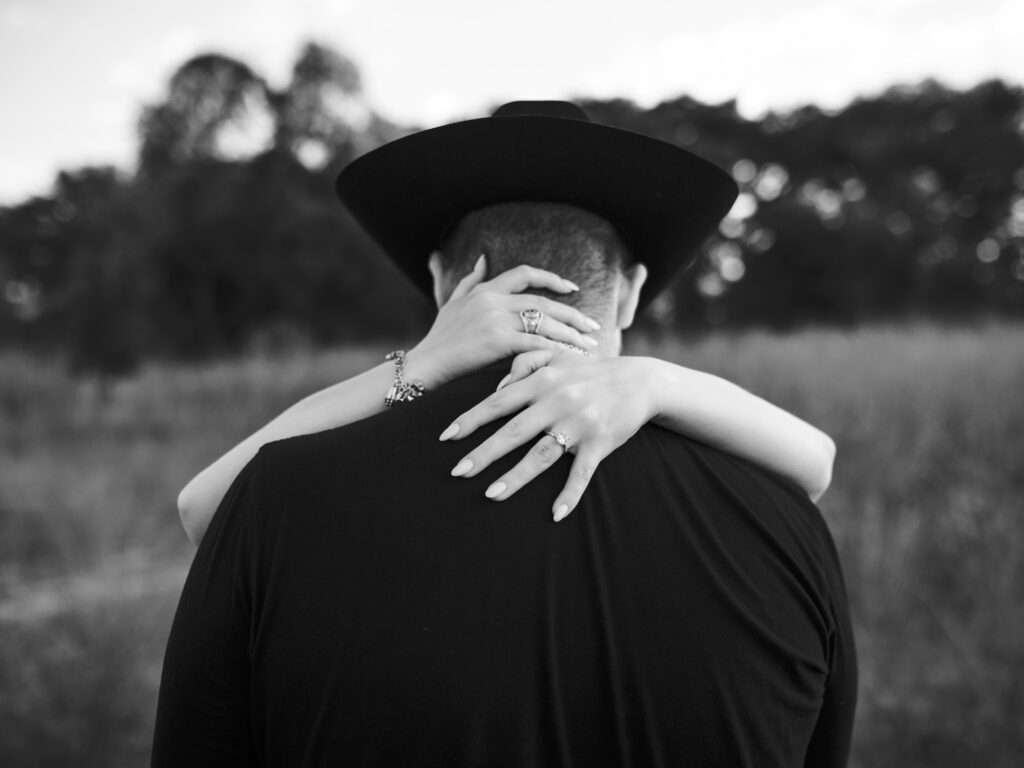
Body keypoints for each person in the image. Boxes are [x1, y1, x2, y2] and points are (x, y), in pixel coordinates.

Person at [153, 102, 856, 766]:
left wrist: (418, 366)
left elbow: (203, 508)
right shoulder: (786, 520)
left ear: (439, 283)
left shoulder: (278, 502)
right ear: (633, 290)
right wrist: (657, 381)